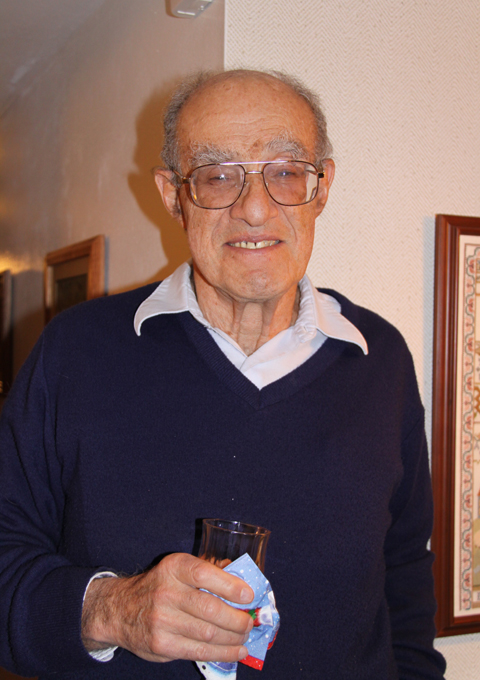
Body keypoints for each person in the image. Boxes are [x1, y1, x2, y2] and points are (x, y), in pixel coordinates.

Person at [0, 69, 446, 680]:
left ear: (322, 187)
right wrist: (113, 610)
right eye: (216, 176)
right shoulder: (73, 353)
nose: (255, 209)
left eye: (285, 172)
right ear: (172, 195)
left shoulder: (381, 358)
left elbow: (406, 578)